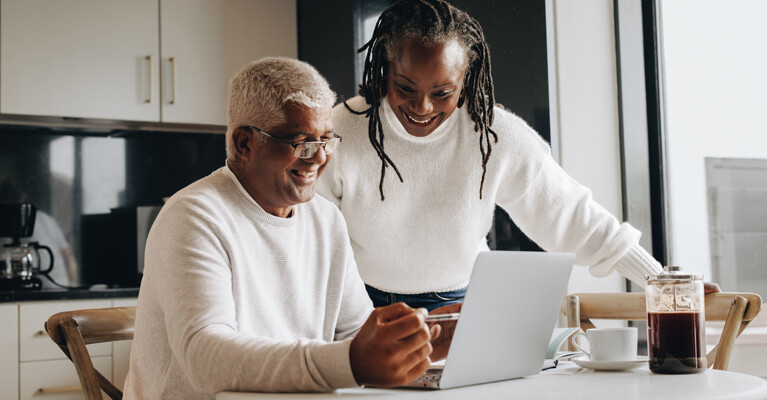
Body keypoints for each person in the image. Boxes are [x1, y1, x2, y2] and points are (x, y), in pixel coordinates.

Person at [317, 0, 719, 312]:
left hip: (463, 305)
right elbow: (310, 238)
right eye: (406, 87)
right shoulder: (341, 131)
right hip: (362, 306)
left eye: (442, 93)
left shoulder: (494, 136)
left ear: (466, 81)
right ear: (384, 70)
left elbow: (572, 216)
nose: (422, 107)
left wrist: (659, 280)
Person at [123, 57, 439, 399]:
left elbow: (355, 334)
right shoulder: (194, 216)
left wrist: (424, 338)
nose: (318, 158)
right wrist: (351, 361)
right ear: (245, 143)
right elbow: (206, 359)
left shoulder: (326, 219)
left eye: (326, 141)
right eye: (302, 141)